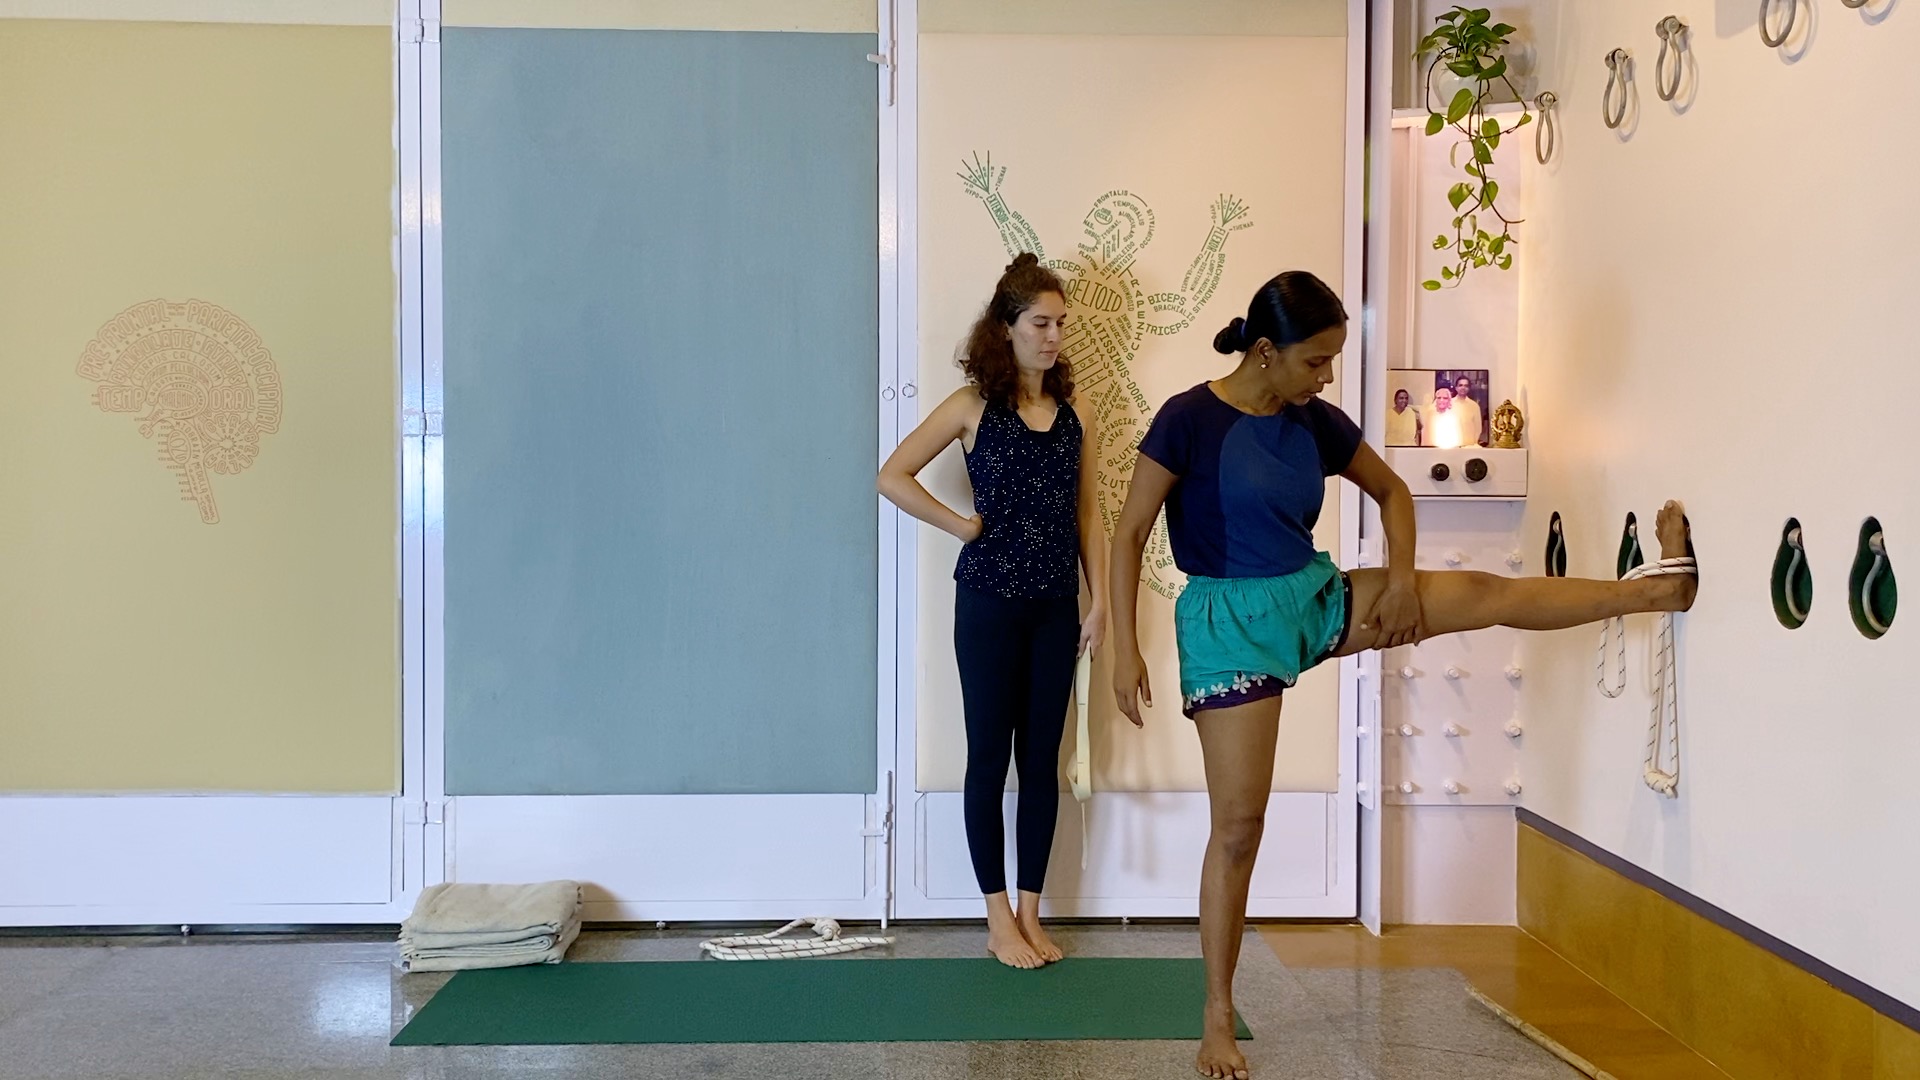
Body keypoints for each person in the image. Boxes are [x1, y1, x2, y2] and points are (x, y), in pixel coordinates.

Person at [1106, 270, 1698, 1080]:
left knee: (1484, 594)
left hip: (1311, 598)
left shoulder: (1313, 421)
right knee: (1239, 827)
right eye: (1316, 361)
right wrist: (1123, 648)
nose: (1326, 378)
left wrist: (1405, 584)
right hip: (1227, 626)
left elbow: (1392, 493)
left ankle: (1658, 590)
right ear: (1266, 351)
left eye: (1332, 361)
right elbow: (1129, 531)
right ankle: (1217, 1013)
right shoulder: (1188, 419)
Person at [878, 253, 1108, 970]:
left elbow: (1088, 515)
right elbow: (891, 475)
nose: (1054, 336)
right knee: (988, 757)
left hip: (1055, 609)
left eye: (1060, 324)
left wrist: (1100, 600)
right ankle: (997, 917)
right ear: (1005, 328)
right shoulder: (971, 406)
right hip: (986, 605)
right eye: (1040, 323)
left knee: (1043, 761)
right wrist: (960, 525)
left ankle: (1032, 912)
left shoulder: (1076, 413)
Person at [1449, 373, 1486, 445]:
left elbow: (1478, 428)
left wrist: (1474, 443)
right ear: (1456, 388)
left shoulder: (1474, 406)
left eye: (1466, 386)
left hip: (1469, 444)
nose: (1463, 387)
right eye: (1460, 385)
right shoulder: (1449, 404)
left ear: (1469, 388)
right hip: (1452, 444)